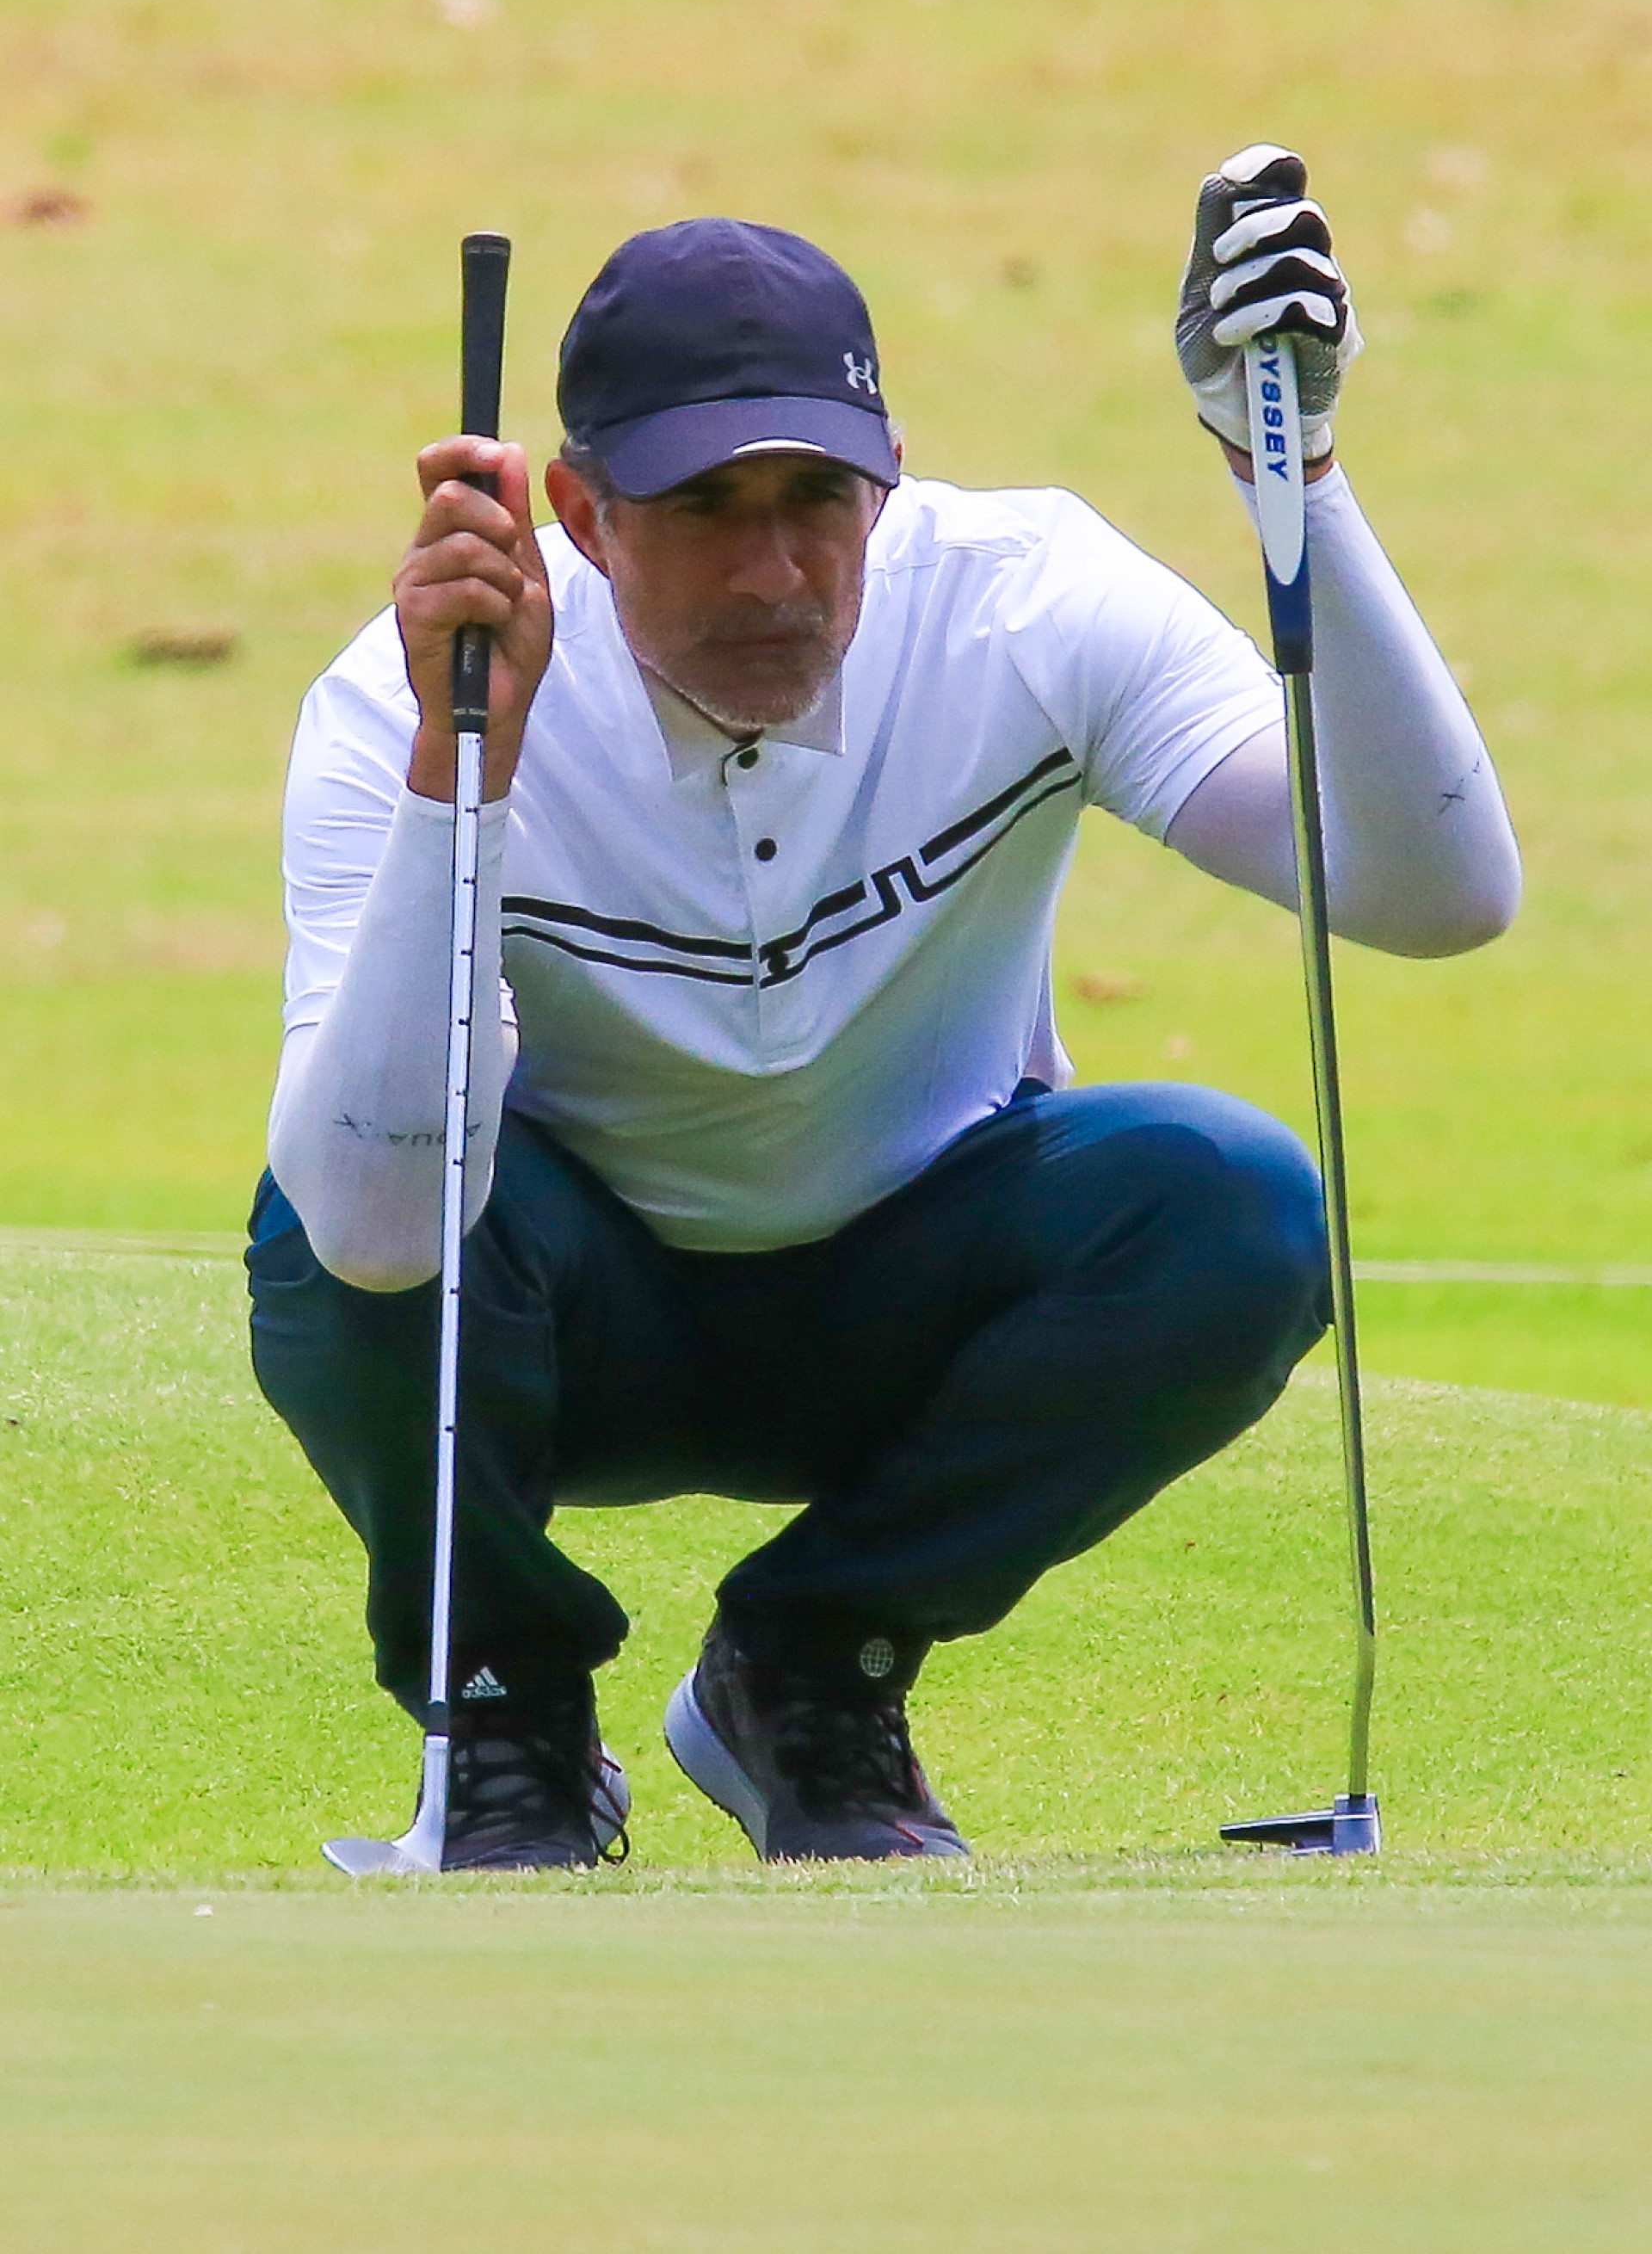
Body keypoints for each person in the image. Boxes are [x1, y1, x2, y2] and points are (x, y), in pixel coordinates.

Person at [248, 146, 1520, 1869]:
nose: (773, 573)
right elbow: (383, 1229)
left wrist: (1297, 474)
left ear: (892, 482)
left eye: (817, 501)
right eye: (705, 509)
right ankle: (506, 1712)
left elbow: (1438, 893)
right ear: (577, 509)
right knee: (310, 1224)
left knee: (1232, 1202)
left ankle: (809, 1667)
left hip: (913, 1293)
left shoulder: (1029, 597)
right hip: (567, 1316)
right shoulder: (388, 705)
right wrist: (456, 772)